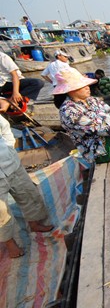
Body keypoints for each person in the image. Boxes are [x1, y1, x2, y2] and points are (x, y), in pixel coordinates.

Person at [0, 98, 53, 258]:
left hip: (12, 164)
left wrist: (10, 149)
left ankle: (34, 223)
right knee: (1, 214)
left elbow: (5, 129)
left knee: (28, 194)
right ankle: (10, 244)